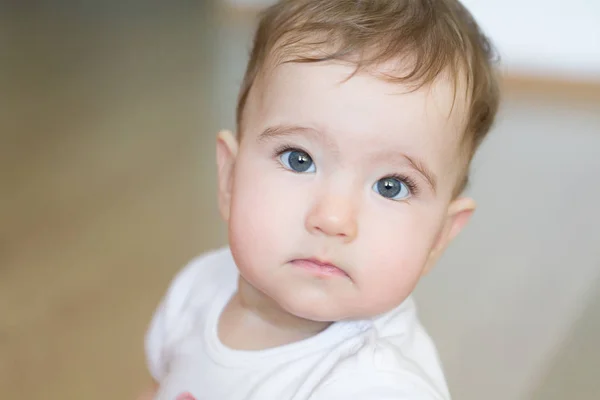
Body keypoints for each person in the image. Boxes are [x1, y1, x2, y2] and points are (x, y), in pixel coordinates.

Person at [142, 0, 500, 398]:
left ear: (438, 238)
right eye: (299, 160)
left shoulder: (375, 386)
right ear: (229, 177)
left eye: (391, 186)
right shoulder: (199, 287)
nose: (332, 219)